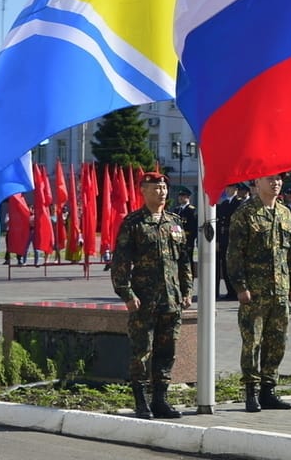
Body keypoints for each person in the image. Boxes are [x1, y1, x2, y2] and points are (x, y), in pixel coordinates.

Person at [109, 172, 192, 419]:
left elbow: (184, 261)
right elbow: (121, 262)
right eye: (155, 188)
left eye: (164, 188)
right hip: (144, 300)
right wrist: (126, 293)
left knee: (167, 351)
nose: (161, 192)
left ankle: (160, 400)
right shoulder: (133, 223)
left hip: (171, 300)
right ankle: (141, 401)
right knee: (142, 351)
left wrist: (186, 291)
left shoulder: (175, 222)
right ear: (143, 191)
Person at [226, 173, 291, 412]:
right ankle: (251, 392)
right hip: (255, 293)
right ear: (256, 183)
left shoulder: (285, 213)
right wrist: (240, 287)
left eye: (279, 179)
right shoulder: (245, 213)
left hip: (280, 292)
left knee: (277, 342)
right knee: (253, 343)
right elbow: (234, 255)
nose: (276, 183)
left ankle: (269, 390)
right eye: (270, 179)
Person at [217, 183, 247, 300]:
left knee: (234, 265)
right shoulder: (224, 203)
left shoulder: (239, 203)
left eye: (232, 188)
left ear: (236, 189)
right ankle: (230, 291)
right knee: (225, 266)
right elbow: (220, 223)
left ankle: (235, 291)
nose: (229, 190)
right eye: (228, 188)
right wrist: (219, 240)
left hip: (234, 238)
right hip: (224, 238)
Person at [172, 189, 198, 275]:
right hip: (177, 240)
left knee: (188, 262)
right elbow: (174, 225)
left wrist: (190, 240)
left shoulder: (192, 211)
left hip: (187, 240)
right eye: (179, 196)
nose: (180, 198)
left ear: (188, 197)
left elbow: (193, 227)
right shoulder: (177, 210)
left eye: (183, 196)